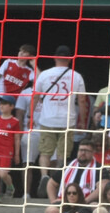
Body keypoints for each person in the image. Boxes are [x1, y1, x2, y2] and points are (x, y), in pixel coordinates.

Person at [33, 45, 88, 184]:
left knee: (45, 152)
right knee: (63, 154)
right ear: (70, 59)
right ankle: (58, 179)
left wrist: (30, 116)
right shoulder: (76, 76)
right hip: (67, 120)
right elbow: (82, 100)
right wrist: (83, 121)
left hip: (47, 120)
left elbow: (35, 96)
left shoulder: (44, 74)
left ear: (54, 58)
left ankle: (44, 175)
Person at [0, 96, 21, 203]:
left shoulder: (15, 121)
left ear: (12, 106)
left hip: (6, 151)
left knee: (3, 174)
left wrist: (17, 154)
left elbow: (17, 139)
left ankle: (10, 187)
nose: (1, 105)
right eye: (0, 103)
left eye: (5, 103)